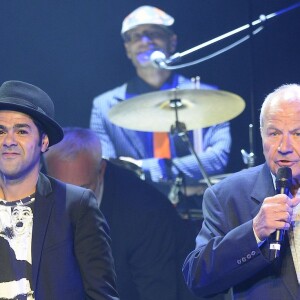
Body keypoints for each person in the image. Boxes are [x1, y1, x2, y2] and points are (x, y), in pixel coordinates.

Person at [90, 5, 231, 207]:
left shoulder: (207, 95)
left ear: (172, 42)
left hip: (196, 210)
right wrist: (182, 179)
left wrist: (148, 169)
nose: (144, 41)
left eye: (153, 34)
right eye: (135, 36)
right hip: (136, 211)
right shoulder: (103, 106)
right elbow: (108, 170)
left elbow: (217, 158)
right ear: (127, 49)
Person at [0, 80, 119, 300]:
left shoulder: (76, 205)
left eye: (22, 131)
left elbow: (100, 294)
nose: (9, 141)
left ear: (44, 141)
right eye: (1, 130)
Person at [183, 83, 300, 299]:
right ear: (261, 135)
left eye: (297, 133)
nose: (285, 146)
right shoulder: (227, 196)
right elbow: (197, 278)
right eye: (274, 133)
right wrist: (254, 232)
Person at [43, 127, 186, 300]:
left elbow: (158, 294)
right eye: (61, 189)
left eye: (82, 190)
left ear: (101, 170)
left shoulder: (145, 213)